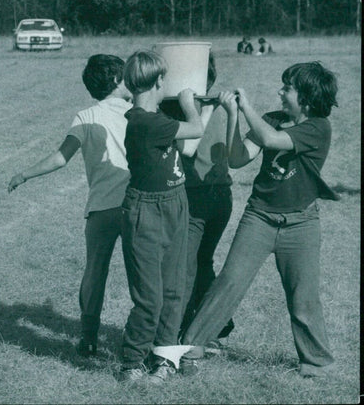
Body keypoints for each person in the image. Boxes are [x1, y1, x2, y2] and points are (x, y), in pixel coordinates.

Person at [180, 62, 339, 379]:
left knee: (303, 294)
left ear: (306, 98)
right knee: (230, 281)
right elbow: (238, 159)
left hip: (301, 223)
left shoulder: (318, 128)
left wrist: (246, 105)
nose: (281, 93)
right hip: (260, 217)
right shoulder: (271, 119)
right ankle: (192, 346)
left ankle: (316, 362)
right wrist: (233, 115)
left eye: (287, 88)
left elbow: (271, 141)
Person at [8, 54, 131, 356]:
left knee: (94, 272)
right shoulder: (138, 112)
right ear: (117, 80)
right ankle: (140, 336)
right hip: (135, 207)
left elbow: (61, 157)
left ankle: (88, 337)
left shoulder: (86, 116)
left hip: (101, 208)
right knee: (140, 273)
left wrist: (24, 174)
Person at [116, 50, 203, 384]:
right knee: (150, 296)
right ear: (159, 82)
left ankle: (164, 357)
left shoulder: (151, 116)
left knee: (174, 288)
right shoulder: (144, 122)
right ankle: (132, 362)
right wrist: (187, 101)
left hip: (174, 201)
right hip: (146, 210)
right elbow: (194, 128)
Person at [158, 54, 236, 348]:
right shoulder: (219, 103)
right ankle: (213, 327)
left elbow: (188, 149)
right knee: (203, 262)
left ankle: (175, 335)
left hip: (197, 197)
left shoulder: (184, 111)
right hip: (221, 196)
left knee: (184, 268)